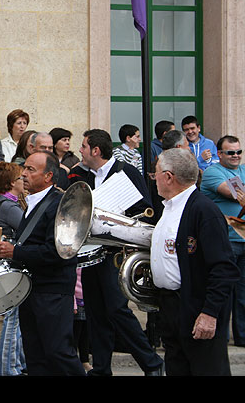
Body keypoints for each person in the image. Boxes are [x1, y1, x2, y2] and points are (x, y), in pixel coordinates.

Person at [68, 128, 164, 376]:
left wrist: (116, 217)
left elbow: (145, 209)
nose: (80, 150)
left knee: (117, 310)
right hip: (90, 253)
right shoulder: (80, 175)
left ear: (95, 151)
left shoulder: (126, 172)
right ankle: (101, 369)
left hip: (115, 254)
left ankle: (152, 364)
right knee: (96, 313)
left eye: (83, 146)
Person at [0, 151, 85, 375]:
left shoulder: (58, 204)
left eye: (31, 170)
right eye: (24, 168)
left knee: (58, 352)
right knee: (35, 355)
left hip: (52, 290)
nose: (23, 174)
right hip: (32, 289)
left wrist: (16, 251)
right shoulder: (35, 201)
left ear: (48, 177)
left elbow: (57, 252)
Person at [151, 148, 240, 375]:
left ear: (169, 177)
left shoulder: (204, 210)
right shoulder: (169, 207)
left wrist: (210, 314)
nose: (154, 177)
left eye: (157, 172)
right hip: (172, 308)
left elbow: (223, 268)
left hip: (196, 309)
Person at [200, 135, 245, 347]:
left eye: (238, 152)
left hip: (243, 240)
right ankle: (219, 337)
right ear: (220, 154)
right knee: (222, 291)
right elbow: (235, 193)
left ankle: (242, 336)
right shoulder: (212, 172)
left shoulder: (243, 170)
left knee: (244, 292)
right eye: (230, 152)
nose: (236, 156)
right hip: (225, 241)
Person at [0, 161, 26, 376]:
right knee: (13, 320)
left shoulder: (3, 202)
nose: (25, 181)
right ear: (13, 183)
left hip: (8, 266)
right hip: (12, 266)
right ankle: (8, 369)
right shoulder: (10, 206)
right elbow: (27, 229)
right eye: (21, 178)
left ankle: (17, 364)